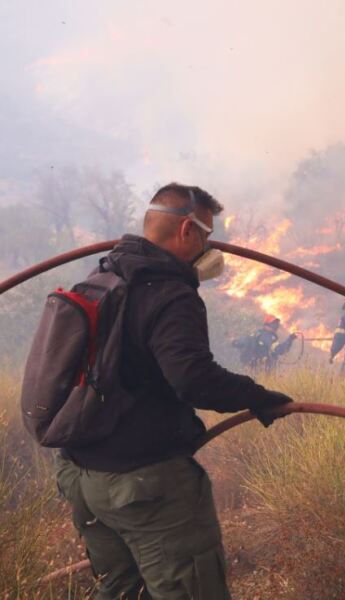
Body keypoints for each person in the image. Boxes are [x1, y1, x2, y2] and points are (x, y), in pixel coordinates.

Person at [54, 183, 293, 599]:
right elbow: (193, 377)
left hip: (83, 477)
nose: (209, 245)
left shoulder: (104, 276)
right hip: (145, 485)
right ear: (187, 231)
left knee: (122, 589)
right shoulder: (170, 293)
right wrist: (258, 396)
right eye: (207, 235)